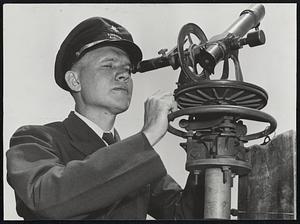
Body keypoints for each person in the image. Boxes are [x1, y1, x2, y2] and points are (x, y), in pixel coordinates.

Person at [6, 17, 204, 220]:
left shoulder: (136, 156)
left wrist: (208, 153)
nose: (123, 76)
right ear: (74, 80)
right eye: (108, 66)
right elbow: (45, 199)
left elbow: (184, 215)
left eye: (127, 69)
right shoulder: (35, 139)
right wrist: (148, 135)